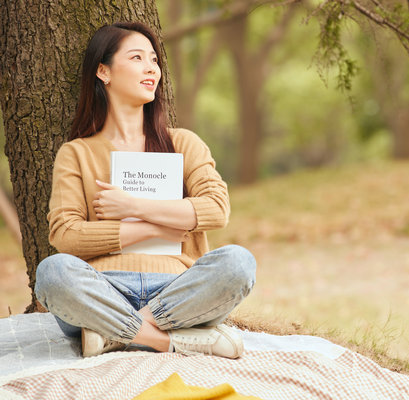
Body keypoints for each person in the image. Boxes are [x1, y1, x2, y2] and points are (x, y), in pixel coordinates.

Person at [34, 22, 256, 359]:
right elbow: (65, 235)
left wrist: (132, 205)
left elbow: (216, 209)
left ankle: (117, 332)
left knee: (239, 263)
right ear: (103, 72)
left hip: (179, 290)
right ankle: (170, 341)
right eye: (137, 57)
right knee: (52, 273)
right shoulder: (76, 153)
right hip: (104, 290)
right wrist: (160, 226)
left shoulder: (183, 143)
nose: (151, 67)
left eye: (154, 60)